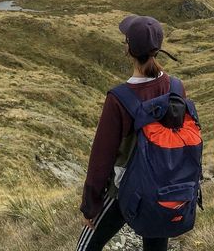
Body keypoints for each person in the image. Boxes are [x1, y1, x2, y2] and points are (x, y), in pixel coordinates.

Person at [76, 14, 185, 251]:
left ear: (129, 49)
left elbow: (100, 160)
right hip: (163, 188)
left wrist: (90, 205)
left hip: (124, 190)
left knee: (85, 248)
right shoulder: (175, 87)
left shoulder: (119, 99)